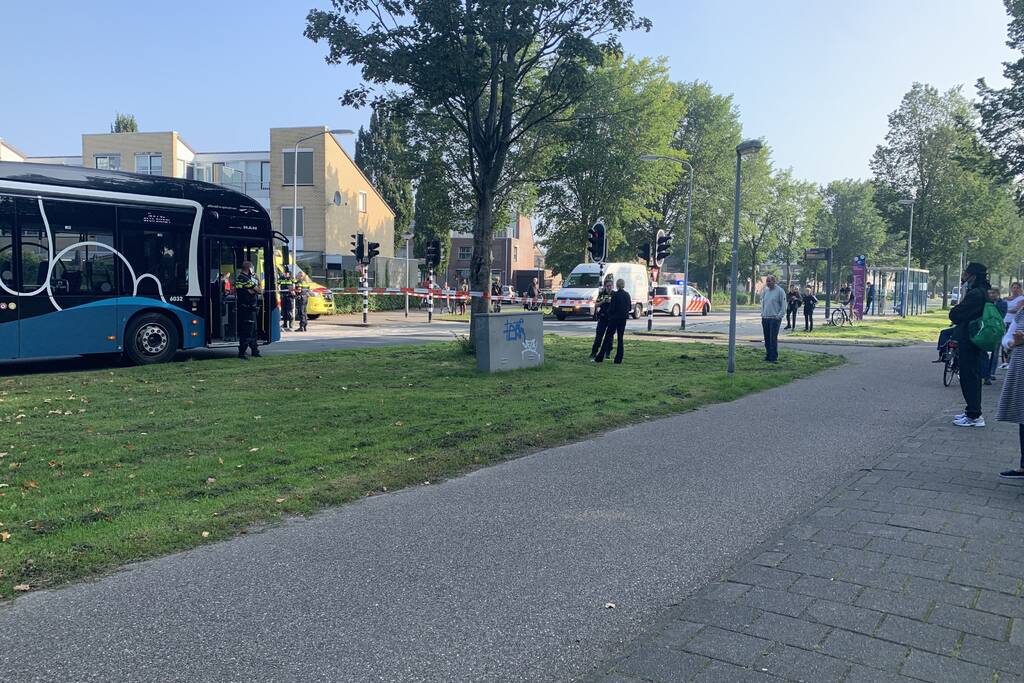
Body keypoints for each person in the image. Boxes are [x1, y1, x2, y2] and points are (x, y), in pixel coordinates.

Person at [949, 262, 991, 427]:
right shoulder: (984, 291)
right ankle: (971, 411)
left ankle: (974, 415)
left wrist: (955, 312)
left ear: (972, 275)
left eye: (966, 273)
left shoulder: (976, 294)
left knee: (969, 376)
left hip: (970, 339)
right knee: (971, 375)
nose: (963, 276)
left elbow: (956, 314)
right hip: (975, 338)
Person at [996, 306, 1024, 479]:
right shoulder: (1022, 312)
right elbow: (1007, 336)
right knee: (1023, 416)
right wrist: (1012, 343)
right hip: (1021, 367)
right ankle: (1023, 466)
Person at [595, 278, 631, 364]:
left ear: (617, 286)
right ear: (623, 285)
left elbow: (612, 308)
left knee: (607, 337)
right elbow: (629, 308)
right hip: (623, 319)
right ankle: (619, 358)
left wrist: (609, 314)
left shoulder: (615, 295)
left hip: (614, 319)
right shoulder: (627, 295)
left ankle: (600, 357)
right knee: (620, 338)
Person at [235, 261, 263, 359]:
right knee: (248, 331)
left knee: (253, 331)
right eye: (252, 268)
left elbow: (253, 291)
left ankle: (255, 350)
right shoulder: (245, 279)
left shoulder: (240, 278)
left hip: (246, 308)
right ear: (250, 269)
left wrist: (253, 291)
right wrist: (258, 279)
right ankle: (242, 353)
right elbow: (259, 290)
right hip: (248, 309)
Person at [760, 275, 786, 362]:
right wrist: (762, 314)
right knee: (766, 338)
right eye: (767, 281)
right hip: (765, 318)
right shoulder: (766, 291)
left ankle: (773, 357)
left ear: (774, 281)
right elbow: (763, 303)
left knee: (772, 338)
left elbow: (783, 305)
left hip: (774, 319)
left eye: (769, 281)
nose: (768, 283)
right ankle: (768, 355)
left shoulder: (780, 291)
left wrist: (779, 316)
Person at [984, 288, 1007, 384]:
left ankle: (991, 373)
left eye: (993, 293)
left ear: (998, 294)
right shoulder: (985, 302)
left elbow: (1000, 316)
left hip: (996, 330)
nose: (991, 295)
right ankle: (985, 372)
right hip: (986, 329)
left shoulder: (1002, 303)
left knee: (995, 352)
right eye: (989, 293)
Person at [590, 276, 614, 359]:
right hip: (603, 317)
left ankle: (608, 353)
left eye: (610, 285)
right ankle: (594, 352)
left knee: (610, 337)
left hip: (611, 318)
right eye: (607, 286)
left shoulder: (614, 294)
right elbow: (595, 304)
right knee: (599, 336)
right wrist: (603, 301)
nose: (609, 287)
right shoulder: (602, 294)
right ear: (605, 286)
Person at [1002, 282, 1024, 369]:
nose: (1015, 289)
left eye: (1017, 288)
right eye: (1013, 287)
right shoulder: (1006, 298)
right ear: (1011, 289)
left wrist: (1006, 310)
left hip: (1013, 321)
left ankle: (1009, 361)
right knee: (1004, 344)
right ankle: (1005, 362)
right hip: (1005, 321)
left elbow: (1017, 309)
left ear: (1020, 289)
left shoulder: (1021, 298)